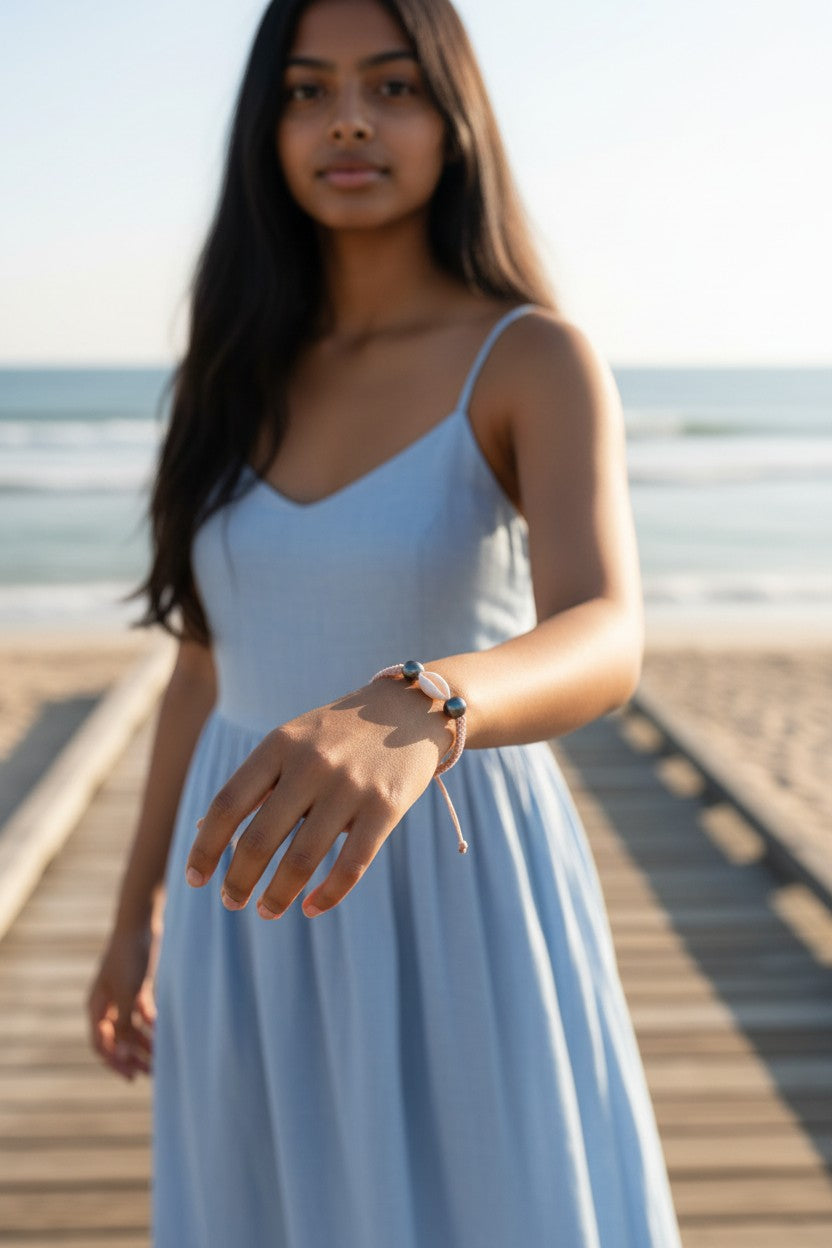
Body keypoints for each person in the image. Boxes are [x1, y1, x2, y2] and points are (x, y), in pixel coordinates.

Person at [86, 0, 684, 1243]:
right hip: (241, 903)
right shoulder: (233, 373)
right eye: (306, 90)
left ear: (454, 117)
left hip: (453, 886)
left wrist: (423, 703)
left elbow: (606, 631)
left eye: (392, 85)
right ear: (266, 128)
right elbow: (203, 663)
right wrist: (134, 912)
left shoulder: (528, 359)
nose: (347, 117)